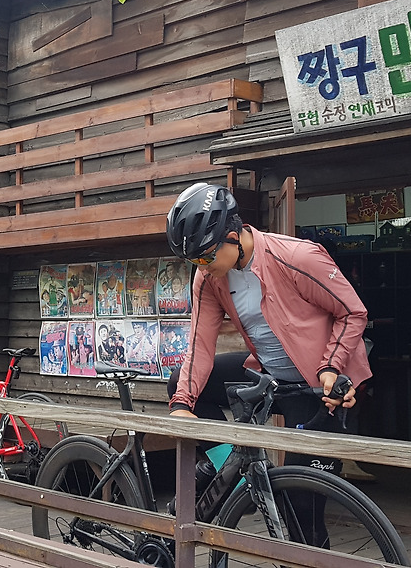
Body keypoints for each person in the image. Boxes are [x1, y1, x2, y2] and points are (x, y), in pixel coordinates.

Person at [164, 183, 371, 547]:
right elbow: (199, 343)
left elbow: (352, 312)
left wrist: (331, 366)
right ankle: (233, 466)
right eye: (194, 261)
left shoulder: (297, 257)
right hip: (269, 378)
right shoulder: (208, 278)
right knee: (182, 383)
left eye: (206, 257)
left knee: (301, 509)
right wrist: (182, 404)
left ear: (232, 236)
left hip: (319, 388)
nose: (202, 267)